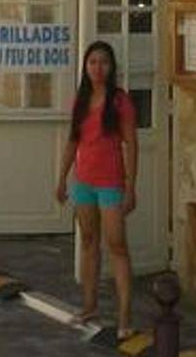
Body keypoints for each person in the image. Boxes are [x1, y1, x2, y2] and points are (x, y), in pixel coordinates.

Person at [55, 39, 138, 338]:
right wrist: (62, 178)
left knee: (117, 245)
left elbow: (131, 144)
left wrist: (131, 187)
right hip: (84, 182)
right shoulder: (81, 99)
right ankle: (89, 304)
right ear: (85, 67)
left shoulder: (120, 101)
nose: (97, 68)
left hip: (111, 183)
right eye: (92, 62)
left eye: (103, 62)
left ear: (111, 66)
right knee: (89, 242)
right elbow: (72, 142)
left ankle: (125, 315)